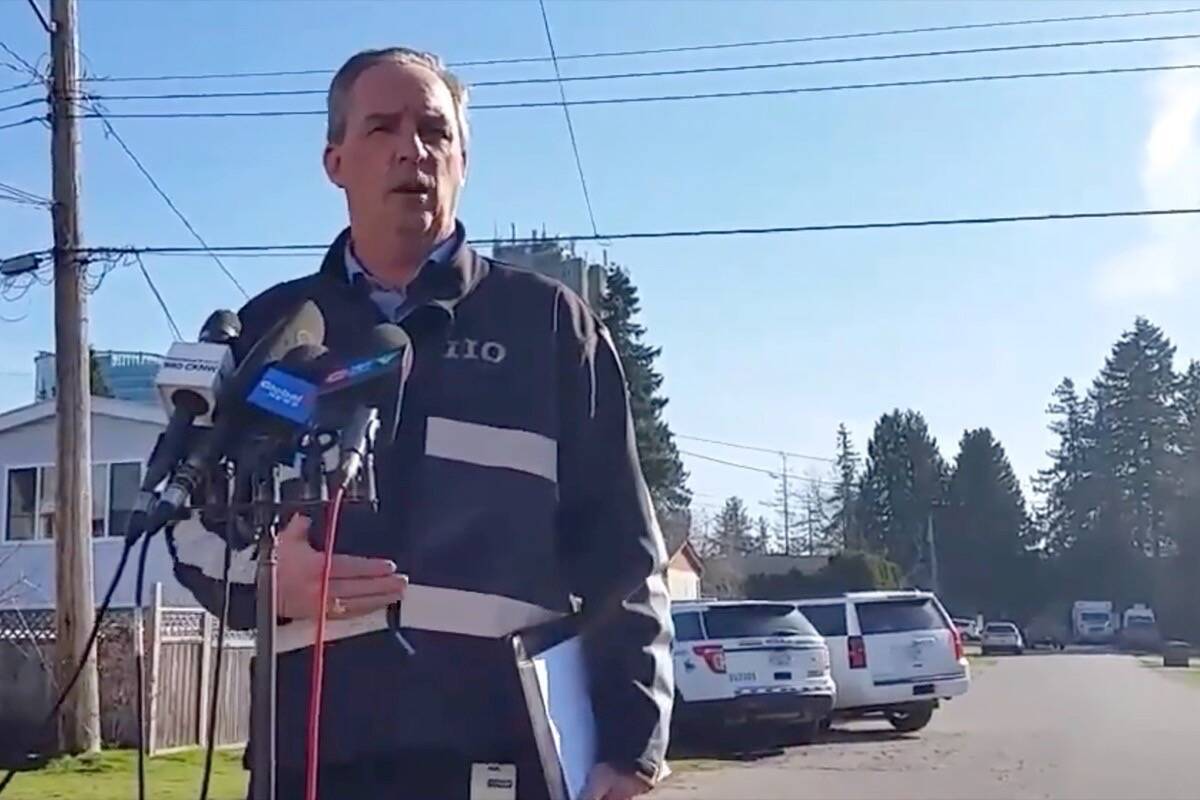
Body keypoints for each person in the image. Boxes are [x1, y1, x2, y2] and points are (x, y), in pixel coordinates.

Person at [169, 47, 674, 800]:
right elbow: (184, 524)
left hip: (503, 754)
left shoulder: (549, 326)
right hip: (313, 761)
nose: (412, 148)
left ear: (462, 158)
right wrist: (272, 581)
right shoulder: (271, 332)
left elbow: (624, 556)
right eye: (382, 128)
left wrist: (631, 750)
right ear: (335, 161)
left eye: (435, 130)